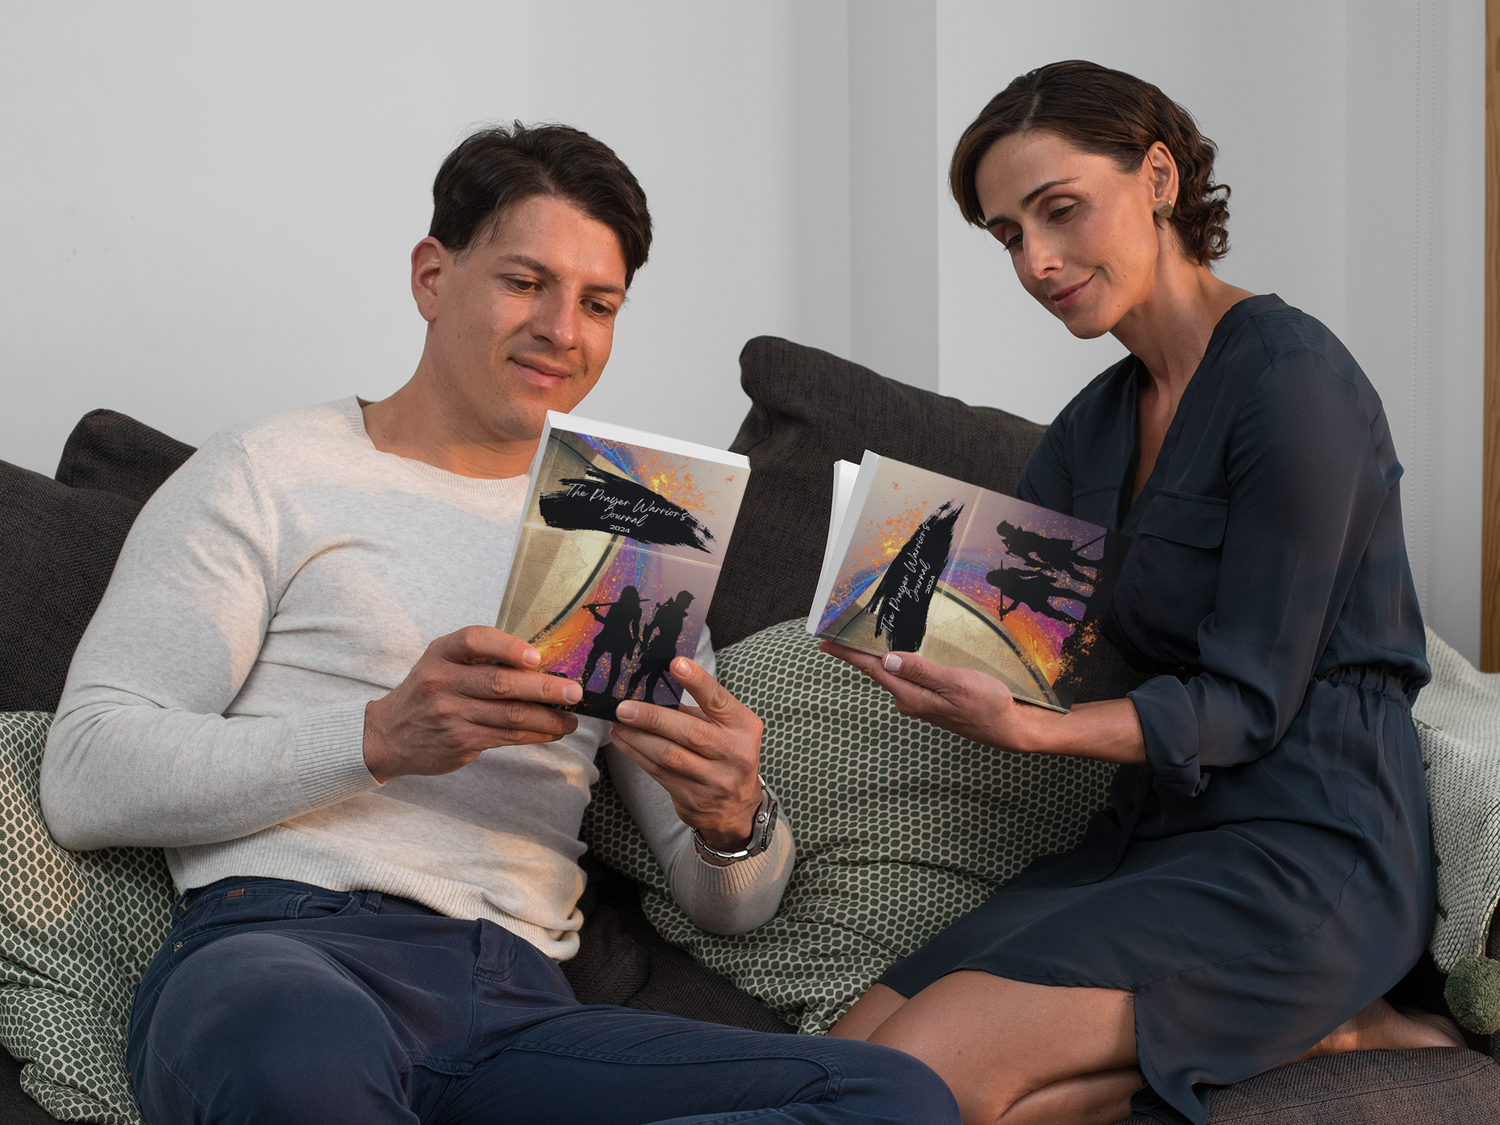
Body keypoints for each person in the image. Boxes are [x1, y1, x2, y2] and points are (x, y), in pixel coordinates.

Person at [39, 123, 958, 1125]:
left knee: (890, 1094)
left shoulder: (631, 523)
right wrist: (379, 738)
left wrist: (737, 821)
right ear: (433, 276)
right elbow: (87, 775)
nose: (563, 329)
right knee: (300, 1060)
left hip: (518, 1008)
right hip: (287, 950)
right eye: (527, 282)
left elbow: (724, 901)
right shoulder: (267, 472)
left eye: (598, 304)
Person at [821, 61, 1464, 1125]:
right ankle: (1293, 1028)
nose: (1036, 259)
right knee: (844, 1065)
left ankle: (1332, 1002)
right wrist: (912, 640)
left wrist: (1039, 735)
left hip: (1312, 840)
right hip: (1147, 836)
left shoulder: (1292, 378)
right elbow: (1029, 649)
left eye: (1059, 210)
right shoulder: (1091, 425)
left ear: (1158, 177)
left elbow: (1252, 702)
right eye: (1005, 234)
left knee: (921, 1080)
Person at [579, 585, 643, 699]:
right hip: (622, 638)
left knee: (592, 658)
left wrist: (593, 611)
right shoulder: (637, 610)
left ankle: (583, 684)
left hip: (608, 635)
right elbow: (635, 627)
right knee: (615, 664)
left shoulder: (616, 606)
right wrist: (632, 643)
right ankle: (608, 690)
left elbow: (607, 622)